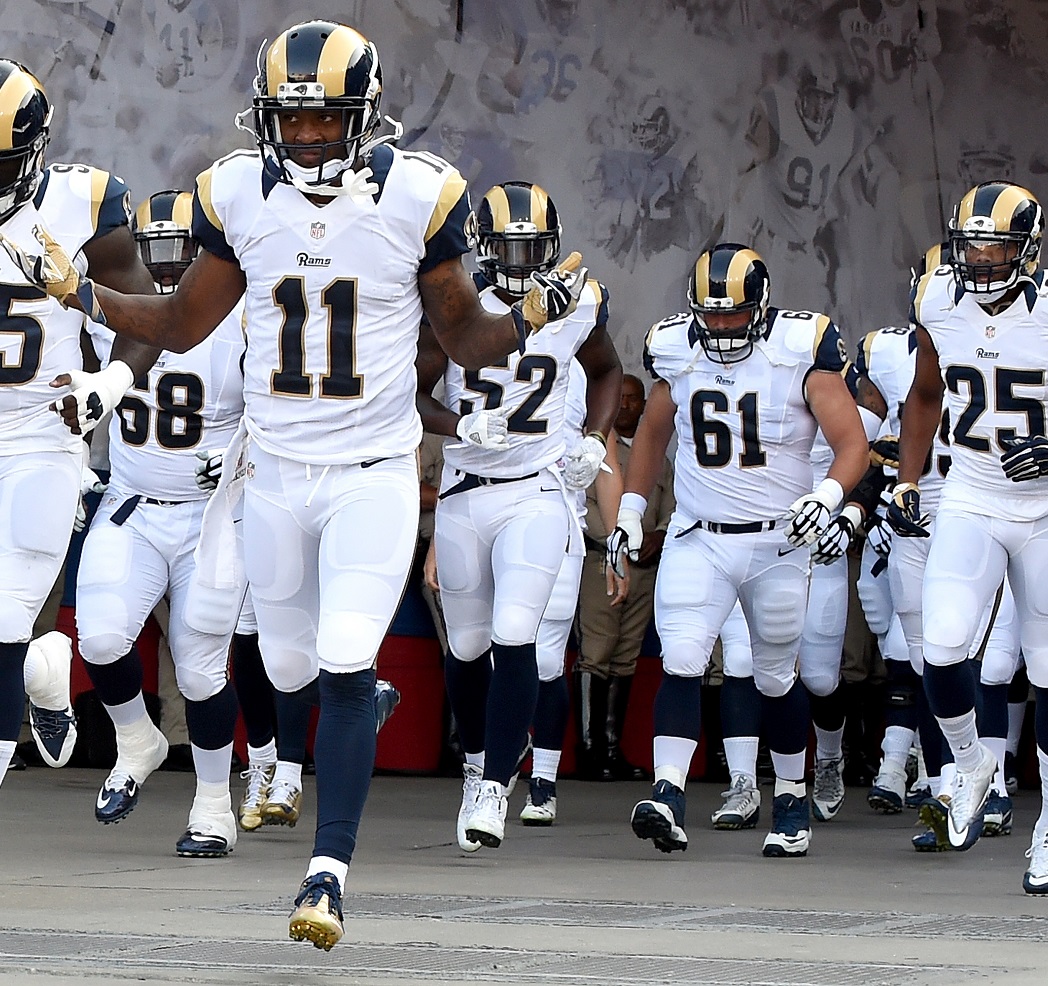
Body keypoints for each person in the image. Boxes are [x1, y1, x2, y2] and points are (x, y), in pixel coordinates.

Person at [0, 21, 590, 948]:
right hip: (273, 474)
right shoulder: (238, 190)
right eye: (294, 119)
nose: (309, 137)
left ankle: (327, 876)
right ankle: (357, 708)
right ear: (267, 116)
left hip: (370, 473)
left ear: (364, 115)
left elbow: (463, 338)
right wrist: (83, 294)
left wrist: (522, 320)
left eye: (327, 119)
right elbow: (182, 324)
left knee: (345, 659)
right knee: (287, 669)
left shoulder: (417, 193)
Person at [610, 242, 868, 858]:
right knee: (681, 657)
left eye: (734, 314)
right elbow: (652, 432)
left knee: (775, 675)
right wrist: (630, 512)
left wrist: (828, 495)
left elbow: (852, 442)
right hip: (699, 534)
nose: (722, 326)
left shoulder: (800, 349)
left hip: (778, 539)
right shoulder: (676, 348)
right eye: (712, 314)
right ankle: (667, 794)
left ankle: (792, 797)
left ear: (761, 305)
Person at [416, 180, 621, 850]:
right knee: (468, 645)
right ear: (484, 247)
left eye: (533, 249)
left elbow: (607, 370)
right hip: (464, 490)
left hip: (536, 488)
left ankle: (496, 788)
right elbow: (409, 393)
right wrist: (458, 425)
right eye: (509, 247)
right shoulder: (455, 304)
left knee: (515, 635)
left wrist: (595, 438)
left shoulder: (577, 300)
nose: (522, 261)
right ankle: (477, 764)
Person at [0, 58, 158, 791]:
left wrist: (111, 381)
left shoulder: (85, 201)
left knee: (4, 620)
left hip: (41, 435)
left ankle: (24, 656)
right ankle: (43, 665)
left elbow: (145, 315)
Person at [75, 189, 245, 857]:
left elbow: (278, 406)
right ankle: (136, 739)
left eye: (183, 253)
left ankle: (213, 806)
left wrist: (243, 457)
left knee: (200, 671)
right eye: (158, 253)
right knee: (100, 637)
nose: (170, 268)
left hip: (210, 517)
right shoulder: (110, 311)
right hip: (134, 503)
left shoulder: (240, 315)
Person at [892, 181, 1048, 887]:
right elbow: (926, 393)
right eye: (972, 246)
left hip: (1044, 508)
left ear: (1028, 249)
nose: (981, 259)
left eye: (996, 246)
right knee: (942, 644)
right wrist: (908, 478)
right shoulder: (937, 299)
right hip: (973, 494)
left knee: (1043, 670)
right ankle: (973, 762)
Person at [574, 373, 674, 781]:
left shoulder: (658, 457)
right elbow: (588, 509)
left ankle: (612, 750)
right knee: (597, 652)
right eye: (621, 398)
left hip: (645, 566)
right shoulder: (594, 449)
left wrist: (659, 535)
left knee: (626, 655)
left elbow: (670, 505)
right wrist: (619, 543)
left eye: (635, 399)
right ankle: (589, 751)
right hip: (603, 561)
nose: (627, 405)